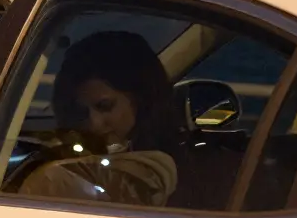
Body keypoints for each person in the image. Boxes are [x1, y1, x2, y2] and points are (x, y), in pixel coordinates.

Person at [18, 29, 185, 206]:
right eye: (81, 112)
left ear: (140, 99)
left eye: (105, 107)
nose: (94, 123)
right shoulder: (82, 161)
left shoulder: (155, 169)